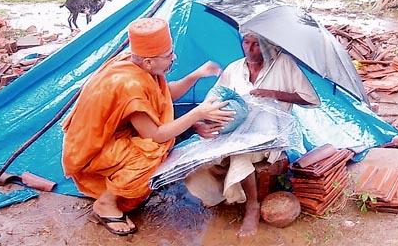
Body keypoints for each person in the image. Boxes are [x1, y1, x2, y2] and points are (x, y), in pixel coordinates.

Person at [61, 18, 235, 236]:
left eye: (171, 53)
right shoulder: (129, 84)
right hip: (91, 151)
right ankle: (106, 203)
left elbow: (163, 96)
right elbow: (156, 135)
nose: (172, 59)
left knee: (166, 137)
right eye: (167, 56)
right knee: (155, 150)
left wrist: (196, 75)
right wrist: (197, 114)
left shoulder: (135, 64)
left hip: (112, 135)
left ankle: (120, 187)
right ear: (148, 62)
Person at [186, 32, 319, 237]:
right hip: (237, 129)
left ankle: (252, 206)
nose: (250, 48)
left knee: (240, 150)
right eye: (246, 42)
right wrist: (202, 122)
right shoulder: (235, 68)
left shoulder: (283, 64)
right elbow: (213, 99)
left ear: (267, 45)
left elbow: (311, 99)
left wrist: (273, 93)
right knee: (200, 150)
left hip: (271, 134)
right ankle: (218, 195)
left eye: (257, 44)